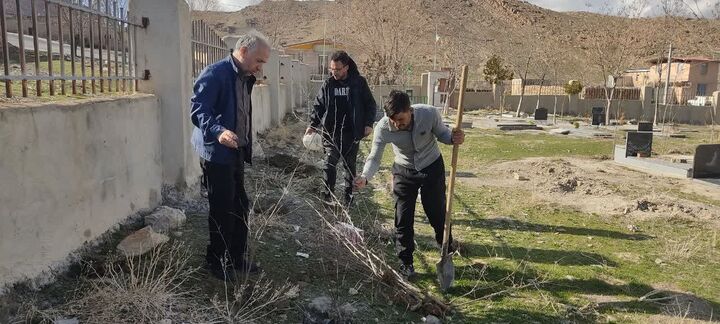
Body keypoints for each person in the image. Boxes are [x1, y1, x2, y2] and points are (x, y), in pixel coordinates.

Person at [354, 90, 465, 278]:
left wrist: (455, 138)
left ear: (410, 110)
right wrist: (365, 176)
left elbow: (444, 135)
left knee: (437, 212)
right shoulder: (383, 127)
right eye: (393, 120)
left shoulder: (428, 114)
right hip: (404, 171)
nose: (397, 124)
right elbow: (374, 157)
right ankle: (406, 262)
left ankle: (446, 248)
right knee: (403, 216)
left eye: (401, 118)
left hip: (431, 165)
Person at [190, 31, 270, 281]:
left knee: (240, 206)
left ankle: (236, 258)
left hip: (236, 151)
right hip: (217, 154)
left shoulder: (245, 76)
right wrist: (219, 131)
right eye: (259, 61)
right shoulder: (215, 73)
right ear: (244, 52)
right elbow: (198, 110)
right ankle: (216, 262)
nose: (260, 67)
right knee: (222, 208)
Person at [306, 51, 377, 207]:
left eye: (337, 69)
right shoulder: (328, 84)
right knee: (329, 164)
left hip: (352, 134)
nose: (334, 72)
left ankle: (349, 199)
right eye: (331, 69)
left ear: (346, 67)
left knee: (349, 168)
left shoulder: (359, 83)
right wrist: (312, 125)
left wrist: (368, 124)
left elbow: (371, 105)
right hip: (331, 134)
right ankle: (327, 198)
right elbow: (319, 106)